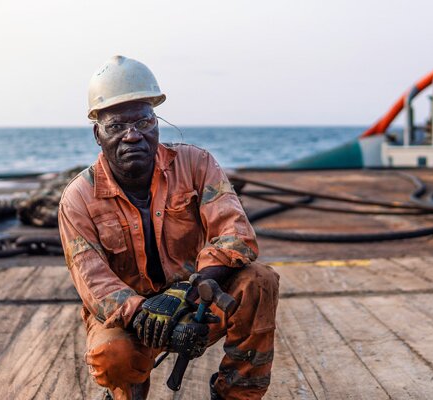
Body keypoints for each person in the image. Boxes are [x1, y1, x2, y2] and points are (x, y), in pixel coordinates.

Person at [58, 55, 280, 400]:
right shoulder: (78, 199)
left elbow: (236, 234)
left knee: (259, 281)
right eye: (116, 127)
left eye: (143, 123)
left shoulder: (197, 164)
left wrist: (191, 291)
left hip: (198, 302)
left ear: (157, 123)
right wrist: (151, 315)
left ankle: (236, 395)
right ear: (97, 135)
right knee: (111, 355)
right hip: (134, 319)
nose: (132, 136)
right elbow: (95, 285)